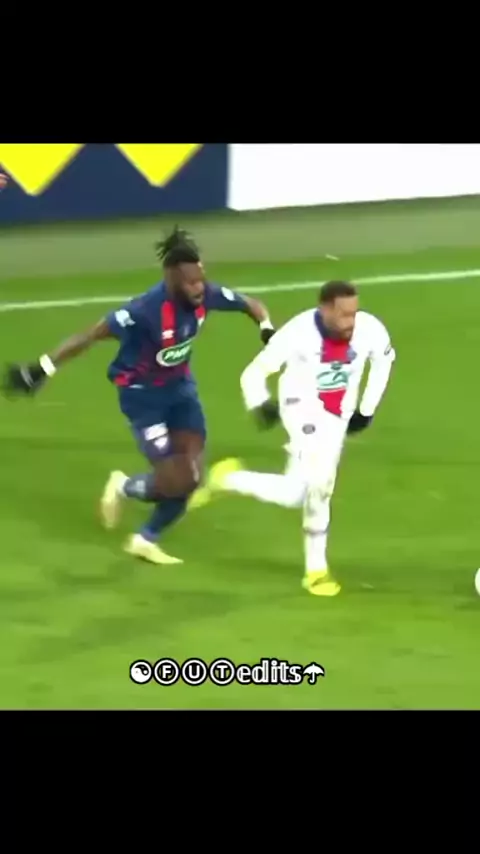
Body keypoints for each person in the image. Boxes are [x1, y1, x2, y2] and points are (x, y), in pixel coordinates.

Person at [2, 227, 276, 564]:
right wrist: (43, 367)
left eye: (201, 280)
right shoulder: (144, 311)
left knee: (191, 478)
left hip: (181, 392)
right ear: (172, 279)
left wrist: (267, 329)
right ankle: (124, 487)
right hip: (143, 398)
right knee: (174, 480)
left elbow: (251, 305)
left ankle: (144, 539)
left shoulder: (207, 296)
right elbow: (90, 335)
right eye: (190, 282)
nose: (198, 288)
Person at [193, 281, 395, 596]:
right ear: (324, 309)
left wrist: (366, 410)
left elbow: (384, 362)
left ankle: (229, 479)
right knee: (321, 484)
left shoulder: (370, 329)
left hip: (338, 416)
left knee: (297, 493)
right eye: (343, 315)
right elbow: (253, 372)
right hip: (301, 409)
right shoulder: (298, 333)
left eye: (353, 313)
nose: (350, 322)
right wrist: (259, 402)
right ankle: (316, 571)